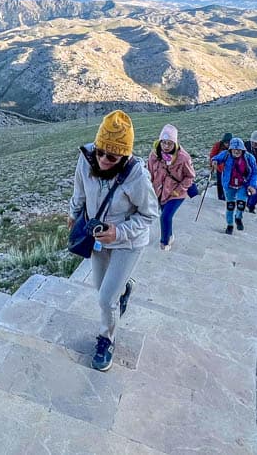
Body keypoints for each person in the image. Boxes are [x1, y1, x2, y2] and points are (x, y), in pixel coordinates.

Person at [67, 110, 158, 372]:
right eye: (100, 152)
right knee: (101, 288)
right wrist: (74, 215)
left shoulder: (136, 176)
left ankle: (107, 339)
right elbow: (79, 191)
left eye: (113, 156)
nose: (104, 159)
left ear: (125, 155)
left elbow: (150, 214)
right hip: (97, 238)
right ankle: (124, 285)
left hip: (128, 242)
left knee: (106, 299)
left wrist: (118, 232)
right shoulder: (86, 159)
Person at [148, 124, 195, 252]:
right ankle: (170, 235)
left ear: (175, 143)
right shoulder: (154, 155)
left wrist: (178, 190)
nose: (166, 146)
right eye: (164, 143)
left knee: (165, 217)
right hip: (160, 192)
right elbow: (149, 173)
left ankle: (164, 242)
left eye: (170, 143)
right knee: (165, 216)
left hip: (176, 194)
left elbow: (190, 177)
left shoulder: (183, 157)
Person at [210, 137, 257, 235]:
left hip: (243, 185)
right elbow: (216, 158)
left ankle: (238, 217)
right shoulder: (226, 155)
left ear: (242, 149)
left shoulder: (249, 158)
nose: (236, 151)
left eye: (239, 149)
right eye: (234, 149)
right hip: (229, 185)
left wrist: (253, 185)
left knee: (241, 204)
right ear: (231, 149)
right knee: (230, 205)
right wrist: (214, 161)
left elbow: (255, 172)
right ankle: (230, 225)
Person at [209, 133, 232, 202]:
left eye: (229, 142)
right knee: (220, 184)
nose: (227, 144)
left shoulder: (234, 147)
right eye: (226, 142)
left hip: (230, 170)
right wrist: (212, 164)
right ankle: (221, 199)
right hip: (220, 169)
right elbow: (212, 155)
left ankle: (230, 198)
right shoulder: (218, 145)